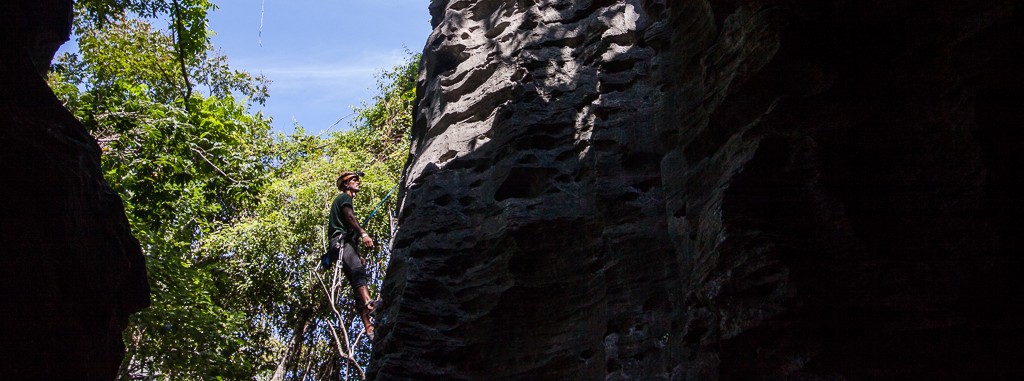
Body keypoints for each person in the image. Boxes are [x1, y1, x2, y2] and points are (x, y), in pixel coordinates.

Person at [327, 171, 376, 339]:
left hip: (341, 245)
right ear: (346, 184)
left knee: (357, 282)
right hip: (340, 243)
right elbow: (349, 216)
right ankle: (370, 304)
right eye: (354, 180)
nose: (358, 182)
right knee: (358, 271)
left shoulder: (343, 200)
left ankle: (368, 326)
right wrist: (363, 233)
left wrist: (358, 253)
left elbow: (348, 231)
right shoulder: (344, 198)